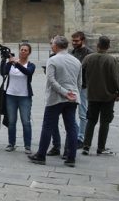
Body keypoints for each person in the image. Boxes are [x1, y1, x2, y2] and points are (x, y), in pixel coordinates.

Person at [29, 36, 82, 167]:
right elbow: (79, 82)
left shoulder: (52, 60)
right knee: (71, 128)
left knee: (48, 126)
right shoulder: (76, 61)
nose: (51, 45)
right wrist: (73, 94)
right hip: (72, 98)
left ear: (57, 46)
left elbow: (51, 81)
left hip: (56, 98)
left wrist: (64, 93)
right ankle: (71, 158)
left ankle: (41, 155)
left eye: (52, 44)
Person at [81, 36, 119, 156]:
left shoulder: (88, 58)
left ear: (97, 45)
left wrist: (84, 85)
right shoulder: (111, 60)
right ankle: (101, 147)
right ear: (108, 46)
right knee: (105, 122)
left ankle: (86, 146)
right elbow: (116, 78)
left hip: (92, 94)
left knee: (91, 120)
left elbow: (81, 73)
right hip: (108, 96)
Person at [0, 43, 36, 153]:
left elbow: (28, 72)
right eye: (22, 50)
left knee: (26, 121)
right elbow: (3, 73)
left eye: (25, 50)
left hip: (24, 96)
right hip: (10, 95)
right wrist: (4, 61)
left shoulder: (31, 65)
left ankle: (27, 146)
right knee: (11, 121)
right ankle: (11, 143)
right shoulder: (11, 63)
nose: (23, 51)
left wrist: (17, 63)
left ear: (29, 53)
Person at [70, 31, 94, 144]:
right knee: (69, 112)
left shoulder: (89, 54)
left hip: (84, 86)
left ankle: (81, 137)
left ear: (82, 40)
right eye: (73, 41)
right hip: (73, 86)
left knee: (83, 113)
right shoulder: (72, 52)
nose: (74, 43)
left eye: (76, 41)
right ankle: (77, 132)